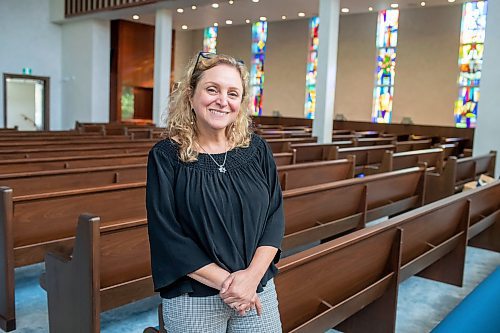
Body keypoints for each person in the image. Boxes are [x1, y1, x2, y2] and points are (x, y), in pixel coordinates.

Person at [146, 51, 285, 333]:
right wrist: (232, 284)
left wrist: (251, 279)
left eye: (233, 93)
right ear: (190, 94)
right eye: (212, 89)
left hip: (256, 290)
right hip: (194, 298)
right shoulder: (166, 157)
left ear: (241, 103)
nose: (223, 101)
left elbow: (274, 217)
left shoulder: (256, 149)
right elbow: (167, 235)